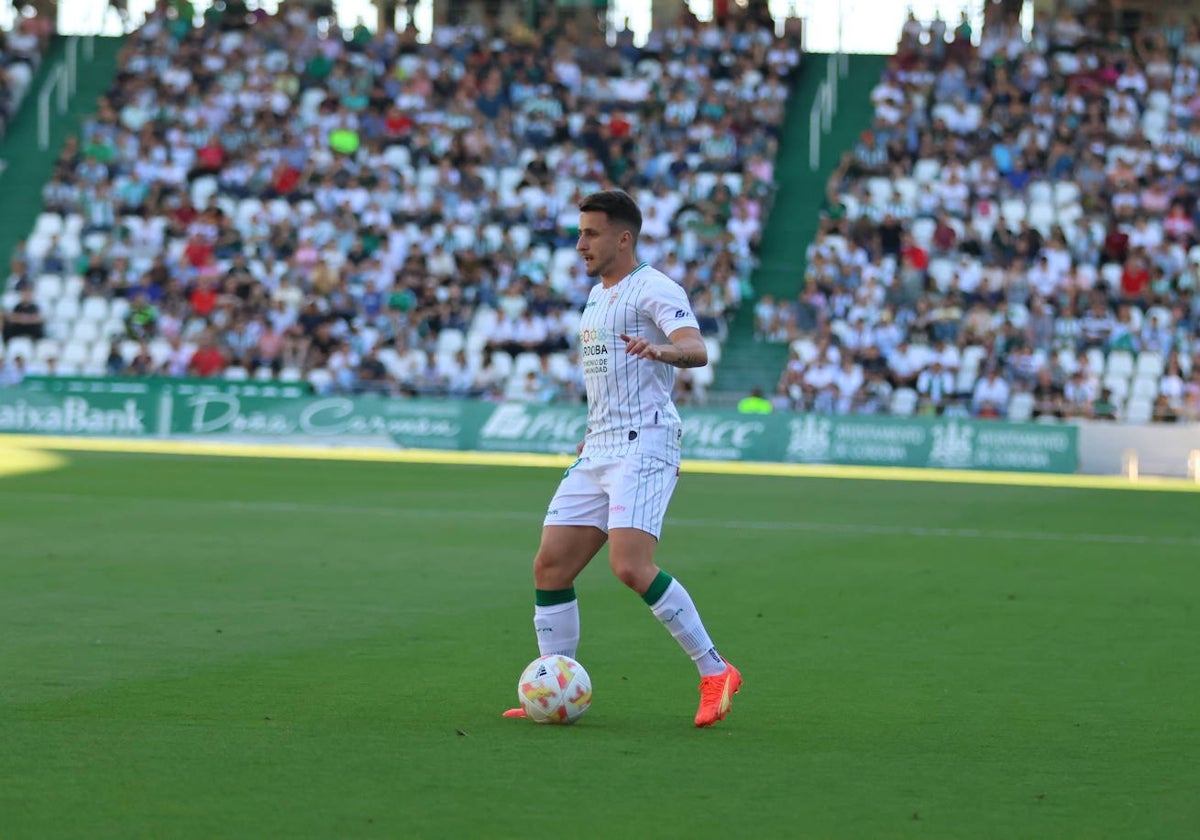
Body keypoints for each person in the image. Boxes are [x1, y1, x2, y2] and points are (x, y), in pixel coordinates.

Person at [503, 190, 742, 728]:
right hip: (601, 444)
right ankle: (552, 684)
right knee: (551, 565)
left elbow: (697, 348)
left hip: (646, 442)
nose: (581, 243)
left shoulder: (654, 288)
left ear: (623, 237)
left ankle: (716, 669)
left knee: (630, 567)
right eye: (581, 232)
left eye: (591, 233)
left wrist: (663, 350)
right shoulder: (596, 296)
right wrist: (591, 432)